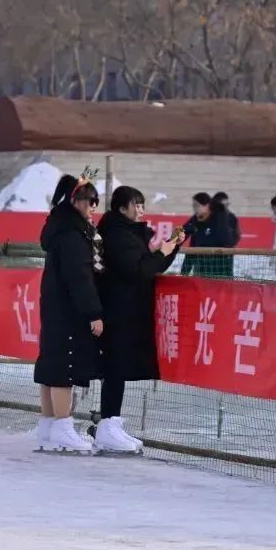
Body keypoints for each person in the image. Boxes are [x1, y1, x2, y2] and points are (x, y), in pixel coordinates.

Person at [95, 186, 183, 452]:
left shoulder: (130, 233)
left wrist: (172, 247)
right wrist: (162, 252)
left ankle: (111, 424)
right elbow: (138, 270)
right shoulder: (117, 234)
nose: (141, 210)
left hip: (129, 309)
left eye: (143, 204)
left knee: (119, 367)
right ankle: (107, 425)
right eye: (136, 205)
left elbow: (151, 267)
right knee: (115, 367)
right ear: (122, 207)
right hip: (117, 309)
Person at [33, 174, 104, 453]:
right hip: (69, 310)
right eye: (90, 201)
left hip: (54, 307)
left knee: (51, 366)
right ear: (75, 201)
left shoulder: (58, 227)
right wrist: (93, 312)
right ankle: (63, 427)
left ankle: (48, 427)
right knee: (64, 368)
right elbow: (80, 277)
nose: (94, 206)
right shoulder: (73, 234)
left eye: (96, 201)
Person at [179, 192, 233, 278]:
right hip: (200, 272)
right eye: (194, 206)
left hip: (220, 271)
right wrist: (183, 274)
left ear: (207, 206)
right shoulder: (196, 220)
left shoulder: (220, 219)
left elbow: (226, 242)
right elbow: (183, 234)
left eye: (197, 206)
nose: (195, 209)